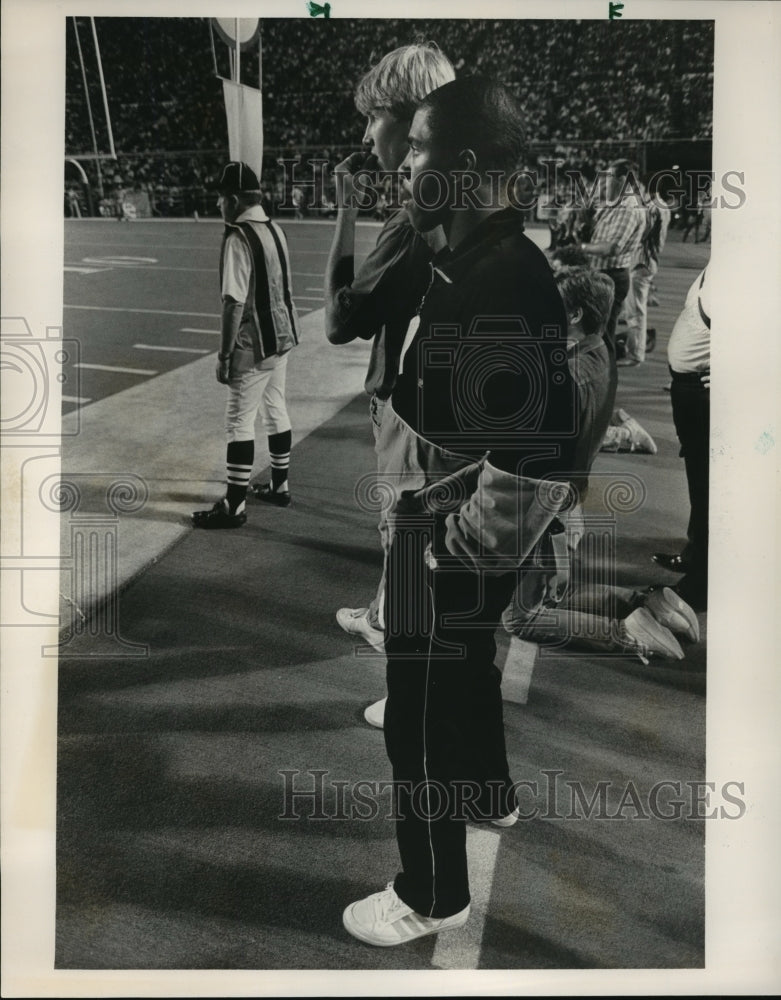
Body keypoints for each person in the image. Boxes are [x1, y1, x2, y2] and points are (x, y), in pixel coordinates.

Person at [342, 77, 578, 948]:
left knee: (419, 715)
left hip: (440, 536)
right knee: (467, 677)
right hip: (443, 522)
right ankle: (488, 794)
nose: (402, 163)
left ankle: (431, 892)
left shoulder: (502, 276)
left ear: (467, 165)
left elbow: (534, 451)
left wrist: (446, 555)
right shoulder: (479, 258)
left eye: (417, 148)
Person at [323, 43, 455, 652]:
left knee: (402, 534)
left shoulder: (411, 219)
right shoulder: (460, 198)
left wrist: (347, 207)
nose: (366, 130)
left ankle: (408, 687)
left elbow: (337, 322)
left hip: (408, 404)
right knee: (416, 533)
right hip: (443, 395)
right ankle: (383, 615)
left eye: (374, 116)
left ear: (408, 122)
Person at [502, 266, 698, 660]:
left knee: (521, 618)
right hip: (570, 499)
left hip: (550, 506)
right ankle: (647, 603)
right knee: (554, 593)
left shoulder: (570, 379)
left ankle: (625, 633)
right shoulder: (600, 349)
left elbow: (549, 459)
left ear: (574, 315)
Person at [192, 161, 299, 529]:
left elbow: (233, 301)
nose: (218, 205)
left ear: (234, 199)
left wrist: (224, 355)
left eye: (222, 198)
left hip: (254, 343)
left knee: (238, 421)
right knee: (275, 407)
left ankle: (234, 505)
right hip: (282, 336)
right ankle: (280, 485)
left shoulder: (238, 236)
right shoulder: (275, 229)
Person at [652, 265, 710, 611]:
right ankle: (695, 552)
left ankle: (702, 583)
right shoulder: (719, 264)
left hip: (707, 391)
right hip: (690, 388)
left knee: (709, 486)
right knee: (697, 479)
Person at [579, 159, 646, 360]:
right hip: (602, 274)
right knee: (595, 333)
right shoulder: (613, 203)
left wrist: (580, 248)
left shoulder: (628, 208)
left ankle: (606, 382)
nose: (602, 185)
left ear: (622, 180)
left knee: (603, 337)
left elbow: (611, 248)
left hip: (612, 276)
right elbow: (595, 229)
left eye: (607, 180)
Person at [620, 178, 671, 366]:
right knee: (636, 309)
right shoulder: (662, 206)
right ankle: (637, 347)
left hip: (640, 261)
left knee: (635, 312)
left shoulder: (650, 208)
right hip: (649, 261)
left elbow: (639, 234)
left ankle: (635, 353)